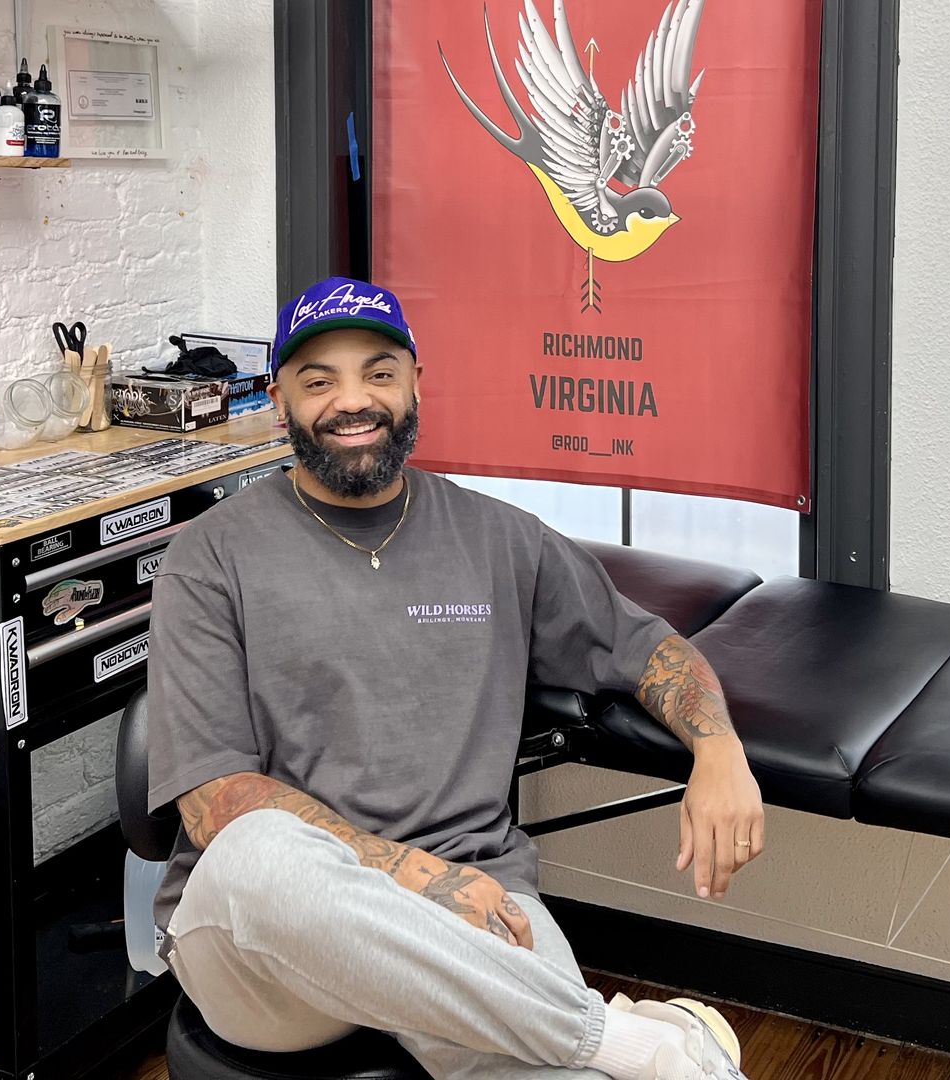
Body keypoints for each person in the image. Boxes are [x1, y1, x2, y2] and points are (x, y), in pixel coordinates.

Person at [144, 275, 767, 1080]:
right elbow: (216, 802)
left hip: (479, 899)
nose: (352, 400)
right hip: (274, 944)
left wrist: (719, 751)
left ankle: (609, 1048)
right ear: (279, 403)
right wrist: (415, 879)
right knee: (257, 852)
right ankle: (631, 1040)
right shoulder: (209, 557)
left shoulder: (499, 538)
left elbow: (650, 649)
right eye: (318, 381)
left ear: (415, 384)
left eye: (378, 373)